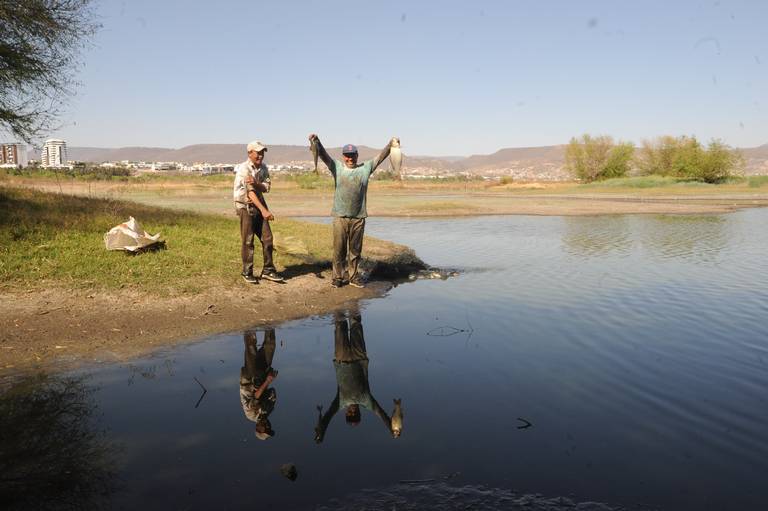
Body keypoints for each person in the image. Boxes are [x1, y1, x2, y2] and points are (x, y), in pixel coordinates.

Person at [307, 134, 397, 288]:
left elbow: (381, 158)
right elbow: (322, 155)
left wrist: (391, 145)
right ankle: (338, 277)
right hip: (340, 216)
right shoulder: (336, 167)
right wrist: (316, 141)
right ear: (343, 157)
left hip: (358, 216)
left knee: (355, 251)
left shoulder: (365, 168)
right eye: (347, 156)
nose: (350, 159)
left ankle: (354, 276)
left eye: (352, 156)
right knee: (339, 250)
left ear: (357, 155)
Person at [314, 308, 394, 443]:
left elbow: (327, 418)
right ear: (359, 413)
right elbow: (382, 414)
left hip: (342, 358)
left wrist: (320, 434)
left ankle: (337, 300)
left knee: (340, 325)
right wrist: (392, 428)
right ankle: (353, 299)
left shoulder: (341, 403)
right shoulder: (366, 402)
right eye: (355, 414)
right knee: (356, 323)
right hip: (359, 357)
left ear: (346, 413)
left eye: (350, 414)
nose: (352, 412)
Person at [233, 140, 284, 284]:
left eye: (262, 153)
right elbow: (250, 194)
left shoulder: (263, 168)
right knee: (248, 240)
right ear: (250, 153)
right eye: (258, 152)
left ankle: (268, 270)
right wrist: (265, 211)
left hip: (259, 204)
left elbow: (266, 188)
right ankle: (247, 271)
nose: (260, 155)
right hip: (245, 205)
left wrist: (256, 183)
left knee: (267, 238)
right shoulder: (244, 169)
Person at [239, 328, 278, 440]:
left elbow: (255, 397)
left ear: (258, 428)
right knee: (270, 346)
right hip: (261, 378)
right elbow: (273, 392)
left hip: (248, 380)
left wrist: (268, 381)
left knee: (251, 349)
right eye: (269, 428)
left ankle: (249, 325)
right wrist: (267, 379)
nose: (268, 426)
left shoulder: (251, 415)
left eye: (265, 429)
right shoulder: (268, 410)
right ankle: (270, 323)